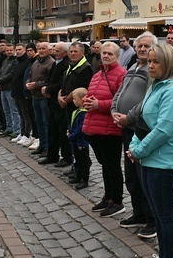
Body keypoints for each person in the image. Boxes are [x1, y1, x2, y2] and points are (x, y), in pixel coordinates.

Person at [127, 43, 173, 258]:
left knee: (164, 215)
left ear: (168, 63)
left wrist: (139, 150)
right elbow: (143, 120)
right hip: (148, 160)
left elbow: (164, 129)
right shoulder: (155, 86)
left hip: (163, 162)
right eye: (149, 61)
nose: (150, 66)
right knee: (157, 212)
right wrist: (134, 146)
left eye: (155, 62)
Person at [111, 31, 157, 239]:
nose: (142, 49)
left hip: (140, 127)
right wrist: (114, 109)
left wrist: (128, 117)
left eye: (146, 46)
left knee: (143, 175)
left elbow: (148, 100)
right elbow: (120, 91)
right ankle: (138, 213)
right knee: (131, 174)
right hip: (126, 128)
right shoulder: (132, 66)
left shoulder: (153, 70)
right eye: (139, 46)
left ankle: (151, 220)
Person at [83, 41, 128, 217]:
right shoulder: (98, 74)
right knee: (104, 165)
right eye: (104, 53)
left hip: (110, 128)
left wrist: (98, 104)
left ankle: (117, 200)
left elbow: (121, 101)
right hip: (95, 127)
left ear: (117, 56)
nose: (106, 56)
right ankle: (108, 196)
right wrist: (87, 101)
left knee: (112, 166)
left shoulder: (121, 74)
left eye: (110, 54)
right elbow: (90, 93)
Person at [39, 42, 71, 165]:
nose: (54, 53)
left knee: (62, 130)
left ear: (64, 52)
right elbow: (49, 78)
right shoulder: (55, 63)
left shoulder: (66, 63)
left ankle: (66, 156)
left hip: (60, 100)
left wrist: (48, 89)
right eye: (54, 50)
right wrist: (46, 87)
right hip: (52, 100)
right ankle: (52, 155)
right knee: (52, 129)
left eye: (57, 51)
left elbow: (61, 83)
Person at [27, 41, 54, 155]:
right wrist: (28, 82)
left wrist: (36, 85)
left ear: (48, 50)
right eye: (40, 48)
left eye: (44, 48)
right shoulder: (36, 62)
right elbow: (30, 75)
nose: (41, 51)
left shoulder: (51, 63)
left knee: (46, 122)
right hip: (35, 96)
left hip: (44, 97)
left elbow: (49, 81)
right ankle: (42, 145)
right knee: (38, 122)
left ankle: (48, 146)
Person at [67, 87, 91, 190]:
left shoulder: (84, 113)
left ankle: (84, 179)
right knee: (77, 159)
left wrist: (72, 135)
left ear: (82, 99)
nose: (73, 101)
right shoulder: (76, 111)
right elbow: (73, 124)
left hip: (81, 142)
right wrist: (70, 131)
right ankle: (78, 175)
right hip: (75, 141)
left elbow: (81, 128)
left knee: (83, 161)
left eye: (75, 98)